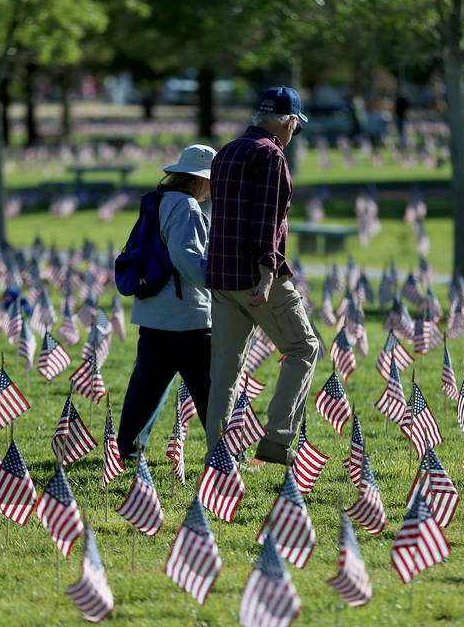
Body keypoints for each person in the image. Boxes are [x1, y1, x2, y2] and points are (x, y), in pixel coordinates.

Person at [204, 86, 320, 466]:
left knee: (225, 370)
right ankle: (278, 441)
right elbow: (266, 221)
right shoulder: (272, 156)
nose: (293, 134)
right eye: (296, 127)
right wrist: (267, 276)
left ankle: (219, 456)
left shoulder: (226, 152)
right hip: (256, 277)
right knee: (303, 348)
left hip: (220, 276)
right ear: (288, 121)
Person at [115, 144, 215, 459]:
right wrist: (217, 283)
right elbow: (186, 258)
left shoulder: (158, 201)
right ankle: (226, 453)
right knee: (211, 389)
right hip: (186, 316)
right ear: (199, 180)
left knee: (145, 388)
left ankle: (128, 449)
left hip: (152, 312)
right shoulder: (187, 207)